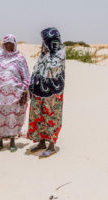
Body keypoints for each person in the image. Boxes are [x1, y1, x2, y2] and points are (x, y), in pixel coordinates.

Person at [0, 34, 30, 153]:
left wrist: (24, 91)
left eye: (11, 43)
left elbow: (26, 76)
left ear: (14, 45)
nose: (8, 45)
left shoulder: (20, 58)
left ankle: (12, 142)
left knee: (12, 117)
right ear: (3, 44)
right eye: (6, 43)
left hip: (14, 95)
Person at [27, 27, 65, 158]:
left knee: (52, 118)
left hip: (53, 94)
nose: (43, 44)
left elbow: (52, 71)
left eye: (45, 41)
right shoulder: (43, 55)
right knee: (39, 117)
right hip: (39, 93)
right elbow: (36, 70)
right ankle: (42, 142)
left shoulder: (59, 54)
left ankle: (52, 145)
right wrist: (32, 86)